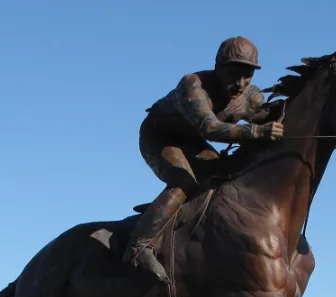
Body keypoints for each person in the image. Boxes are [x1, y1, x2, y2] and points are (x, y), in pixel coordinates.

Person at [122, 36, 285, 284]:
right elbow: (209, 128)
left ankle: (176, 217)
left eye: (247, 76)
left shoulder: (251, 96)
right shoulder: (193, 85)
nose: (240, 83)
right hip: (161, 136)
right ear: (218, 68)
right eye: (233, 74)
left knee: (224, 174)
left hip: (192, 141)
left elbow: (265, 115)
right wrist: (256, 132)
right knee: (184, 181)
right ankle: (138, 246)